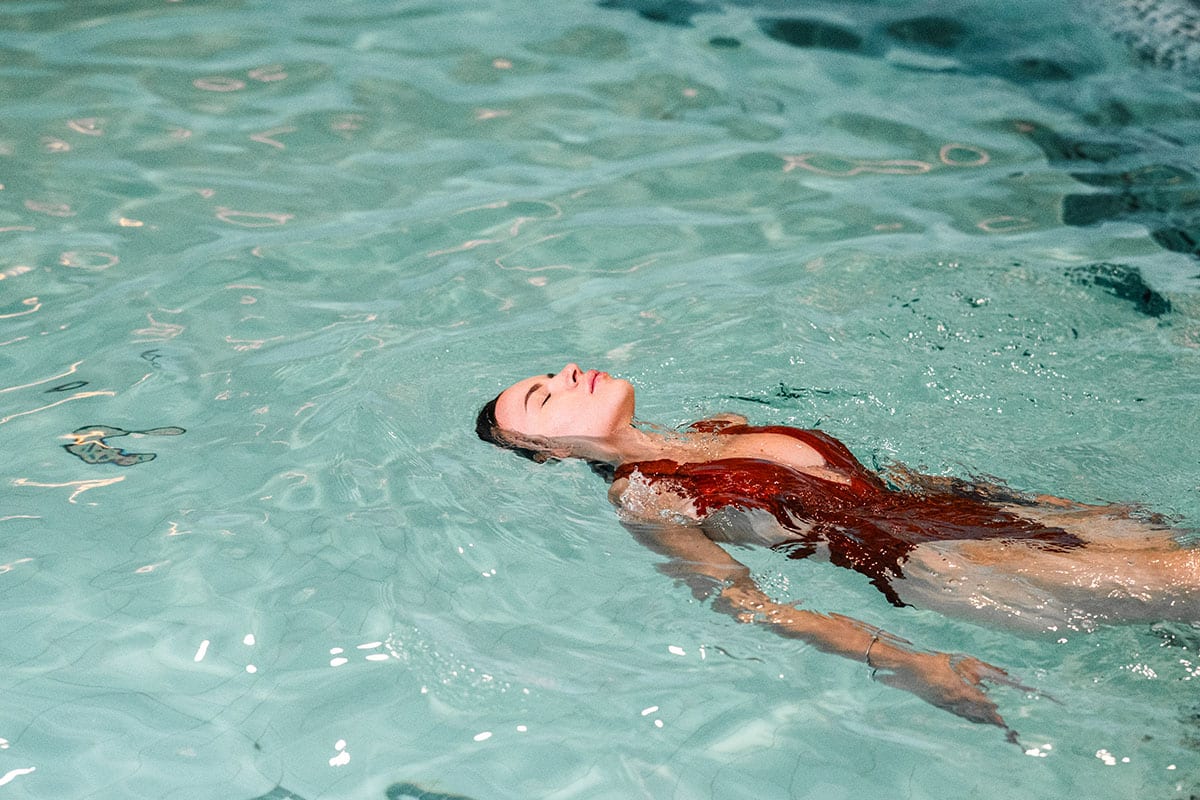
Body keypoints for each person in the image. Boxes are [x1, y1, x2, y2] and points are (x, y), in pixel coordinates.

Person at [476, 363, 1198, 740]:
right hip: (954, 566)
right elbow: (742, 603)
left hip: (989, 521)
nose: (568, 371)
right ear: (549, 452)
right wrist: (906, 661)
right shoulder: (647, 497)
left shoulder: (712, 425)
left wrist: (1038, 507)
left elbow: (885, 480)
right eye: (546, 396)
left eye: (552, 373)